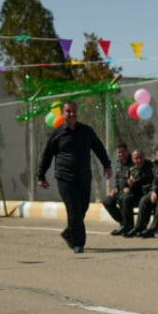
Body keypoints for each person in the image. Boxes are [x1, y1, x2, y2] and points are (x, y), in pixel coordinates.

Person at [37, 101, 112, 254]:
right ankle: (78, 243)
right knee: (74, 211)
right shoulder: (56, 134)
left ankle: (68, 232)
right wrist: (41, 175)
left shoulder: (86, 131)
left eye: (74, 111)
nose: (71, 114)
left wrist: (107, 165)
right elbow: (46, 156)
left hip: (84, 176)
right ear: (62, 114)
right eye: (68, 111)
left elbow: (99, 148)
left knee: (83, 208)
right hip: (65, 178)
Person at [117, 149, 154, 236]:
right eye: (136, 158)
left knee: (143, 200)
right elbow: (133, 185)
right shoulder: (132, 169)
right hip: (139, 194)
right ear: (132, 159)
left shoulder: (151, 166)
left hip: (150, 193)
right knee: (125, 198)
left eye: (141, 157)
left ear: (144, 157)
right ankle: (128, 226)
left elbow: (155, 181)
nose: (139, 160)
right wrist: (130, 186)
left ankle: (139, 227)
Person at [102, 143, 134, 235]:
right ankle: (123, 222)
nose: (121, 154)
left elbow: (136, 176)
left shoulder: (133, 162)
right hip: (120, 191)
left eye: (123, 152)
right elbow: (117, 178)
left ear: (127, 151)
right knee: (107, 201)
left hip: (131, 192)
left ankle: (127, 226)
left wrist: (130, 187)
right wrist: (115, 188)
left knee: (124, 199)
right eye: (118, 153)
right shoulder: (118, 163)